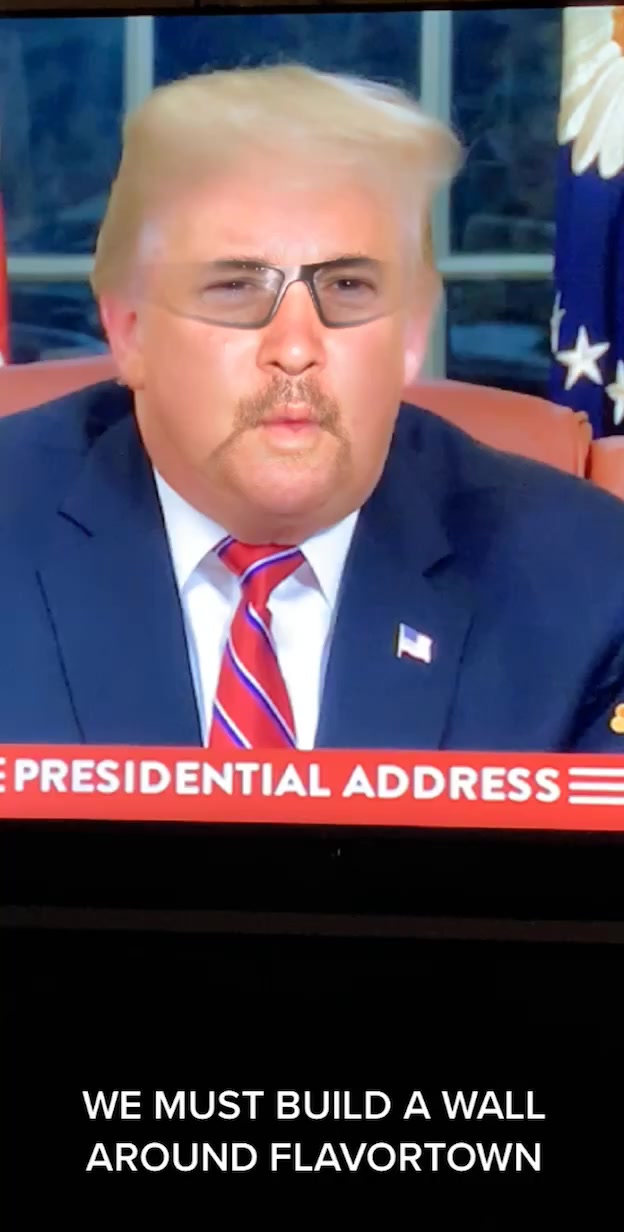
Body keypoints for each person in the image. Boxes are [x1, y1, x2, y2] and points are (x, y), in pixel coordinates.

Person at [2, 62, 624, 752]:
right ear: (130, 331)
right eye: (236, 287)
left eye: (349, 286)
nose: (295, 348)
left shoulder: (588, 580)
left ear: (412, 334)